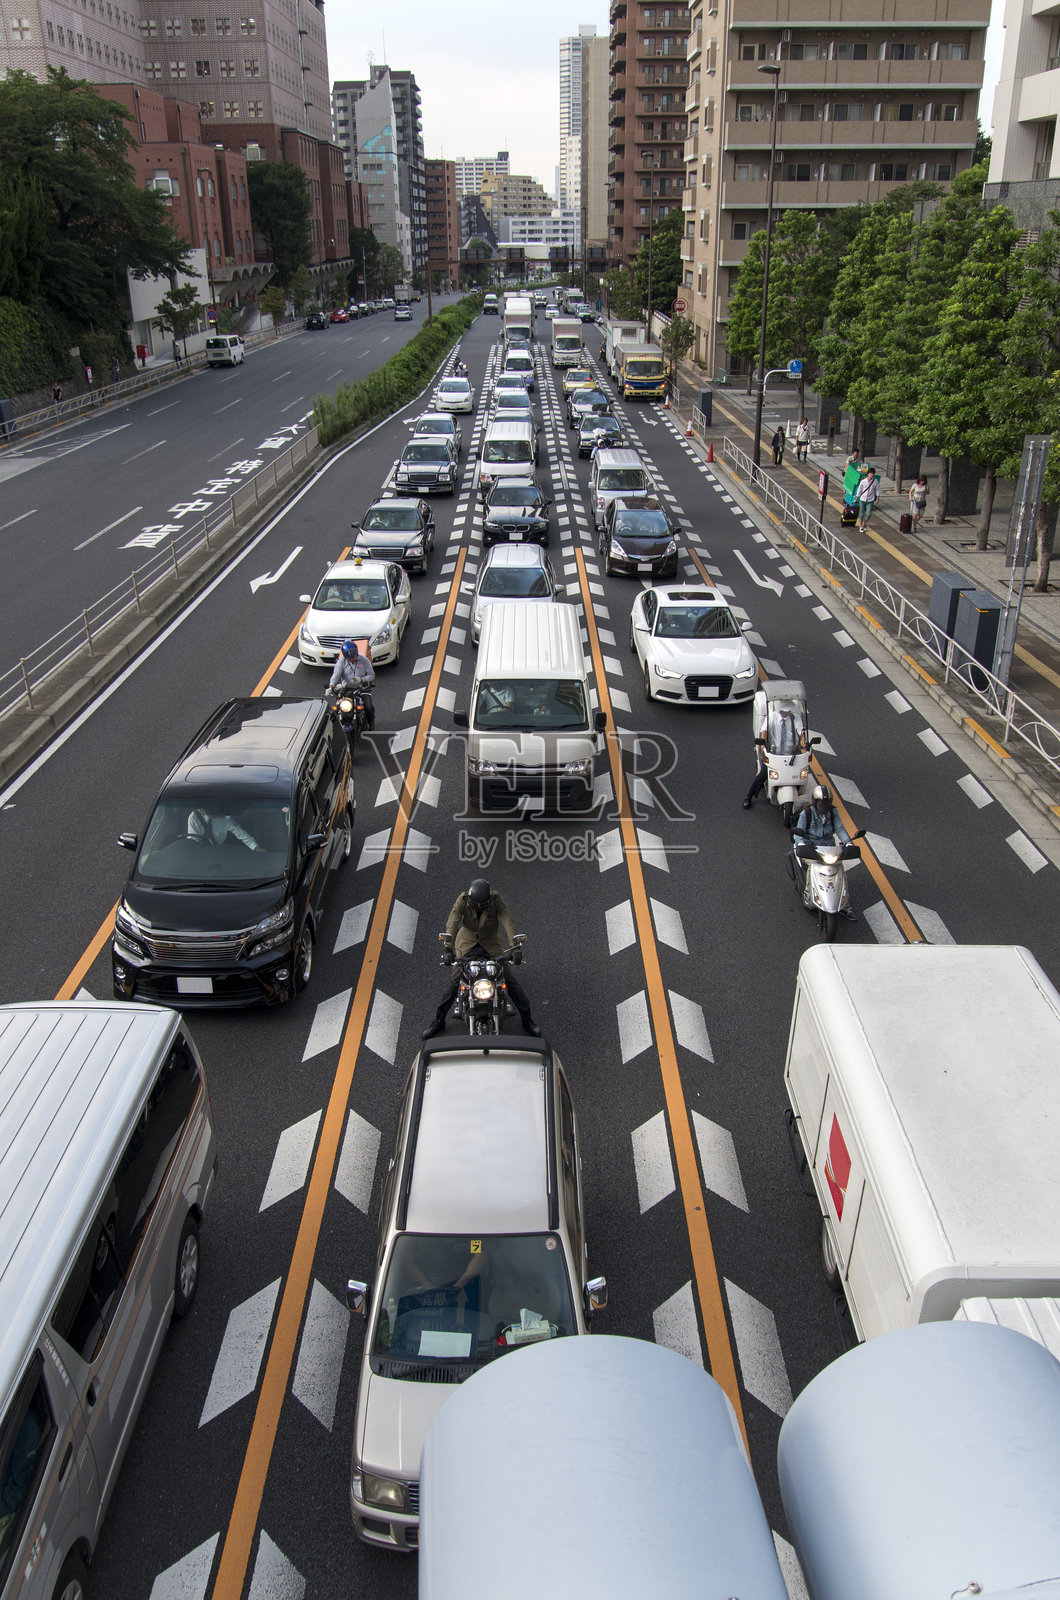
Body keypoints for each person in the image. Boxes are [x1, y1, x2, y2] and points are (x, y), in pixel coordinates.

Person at [423, 878, 539, 1038]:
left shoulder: (496, 899)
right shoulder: (462, 900)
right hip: (467, 944)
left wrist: (515, 946)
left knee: (510, 981)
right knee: (454, 982)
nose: (479, 908)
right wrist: (448, 948)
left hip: (491, 944)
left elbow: (507, 919)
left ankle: (527, 1019)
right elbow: (453, 922)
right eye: (475, 905)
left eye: (482, 905)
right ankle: (438, 1020)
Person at [328, 639, 375, 729]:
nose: (352, 659)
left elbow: (372, 675)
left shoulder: (364, 660)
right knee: (336, 709)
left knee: (369, 707)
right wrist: (331, 687)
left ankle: (371, 721)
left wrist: (361, 679)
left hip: (361, 689)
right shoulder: (341, 662)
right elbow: (336, 675)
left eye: (353, 656)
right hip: (346, 689)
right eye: (349, 658)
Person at [187, 808, 263, 851]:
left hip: (218, 855)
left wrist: (256, 847)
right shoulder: (195, 816)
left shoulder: (226, 818)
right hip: (199, 855)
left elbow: (242, 834)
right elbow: (192, 842)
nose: (216, 816)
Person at [855, 465, 881, 531]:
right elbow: (859, 490)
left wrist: (877, 498)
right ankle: (861, 526)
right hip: (862, 499)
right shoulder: (863, 482)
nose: (871, 475)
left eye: (872, 474)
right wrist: (856, 498)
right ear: (868, 474)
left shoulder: (875, 481)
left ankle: (865, 522)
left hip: (870, 500)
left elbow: (877, 489)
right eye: (870, 474)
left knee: (869, 514)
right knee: (861, 514)